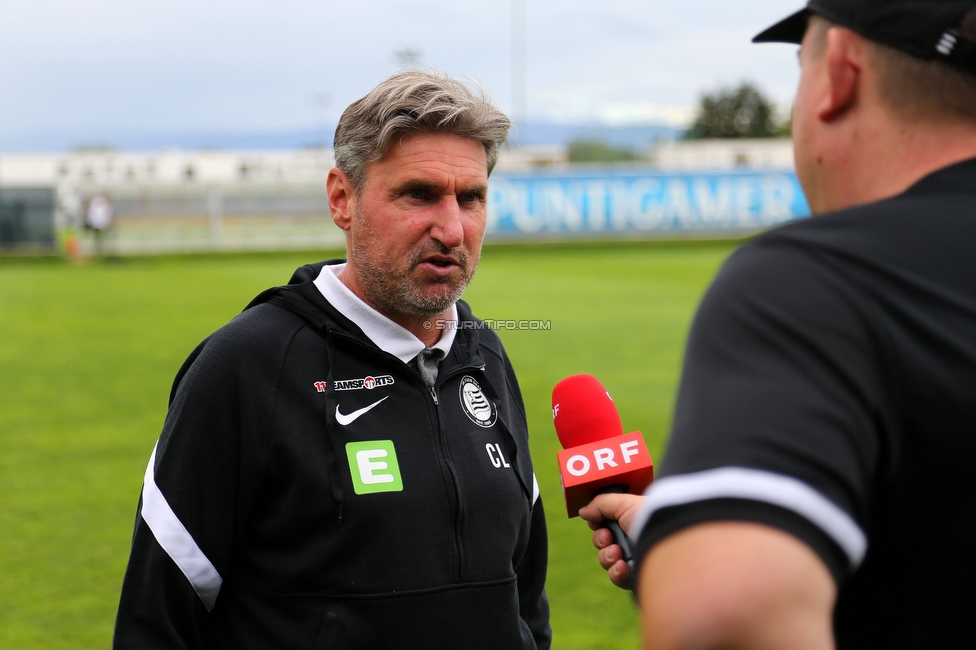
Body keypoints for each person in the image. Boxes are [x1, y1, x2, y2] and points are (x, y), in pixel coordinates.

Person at [579, 0, 976, 647]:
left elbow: (725, 616)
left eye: (801, 65)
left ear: (840, 73)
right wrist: (688, 528)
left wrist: (703, 559)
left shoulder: (816, 284)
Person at [114, 70, 551, 649]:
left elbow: (524, 597)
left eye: (470, 198)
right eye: (418, 194)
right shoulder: (246, 366)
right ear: (342, 200)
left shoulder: (482, 352)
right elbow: (160, 619)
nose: (451, 228)